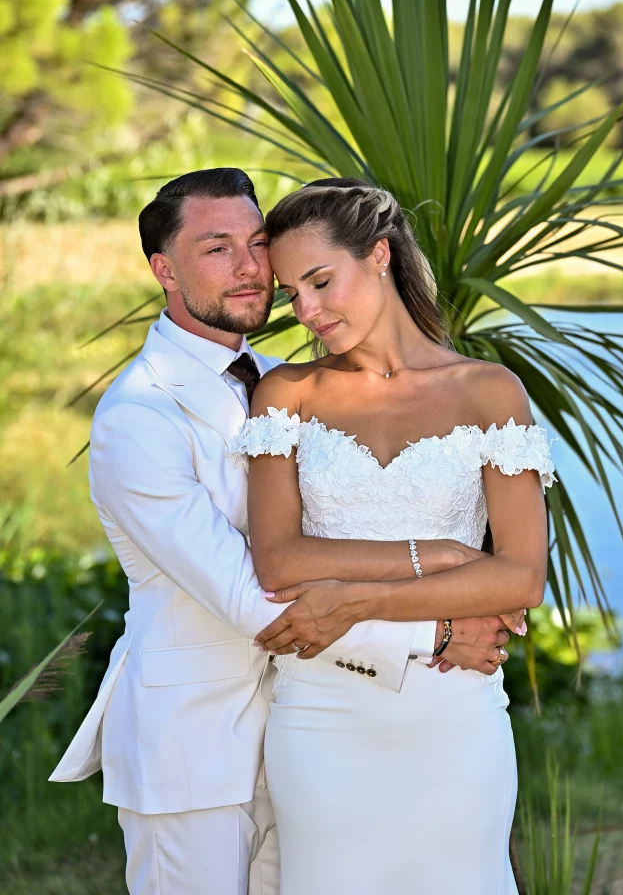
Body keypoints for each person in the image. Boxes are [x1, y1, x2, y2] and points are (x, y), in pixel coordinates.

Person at [49, 168, 501, 895]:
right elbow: (245, 590)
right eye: (216, 248)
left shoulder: (283, 379)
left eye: (256, 243)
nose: (250, 267)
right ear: (164, 269)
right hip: (194, 751)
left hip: (305, 737)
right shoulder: (138, 416)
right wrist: (435, 634)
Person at [230, 177, 555, 894]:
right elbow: (279, 561)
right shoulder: (286, 393)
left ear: (378, 255)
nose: (307, 312)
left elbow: (519, 576)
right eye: (291, 295)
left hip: (454, 711)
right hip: (321, 716)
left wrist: (348, 599)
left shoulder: (488, 391)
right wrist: (438, 562)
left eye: (320, 281)